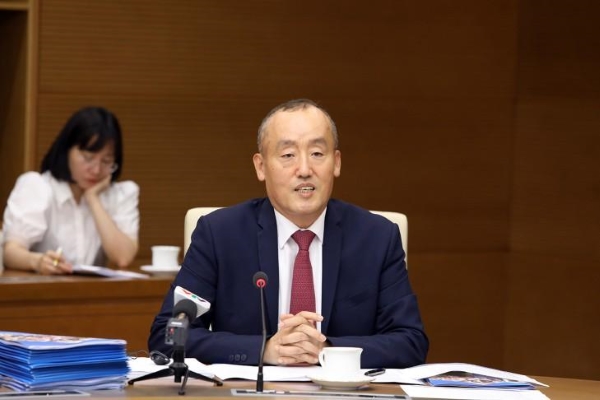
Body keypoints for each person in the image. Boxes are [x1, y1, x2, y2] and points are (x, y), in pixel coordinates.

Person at [148, 99, 428, 368]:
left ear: (336, 162)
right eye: (288, 155)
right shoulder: (220, 234)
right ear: (261, 166)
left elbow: (410, 341)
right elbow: (167, 336)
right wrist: (264, 349)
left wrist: (327, 350)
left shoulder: (376, 237)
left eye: (317, 153)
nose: (304, 170)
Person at [1, 106, 139, 274]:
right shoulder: (38, 187)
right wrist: (37, 261)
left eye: (106, 161)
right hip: (43, 286)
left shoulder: (120, 194)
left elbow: (123, 257)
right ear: (67, 151)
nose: (96, 170)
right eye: (88, 158)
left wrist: (93, 198)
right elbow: (10, 251)